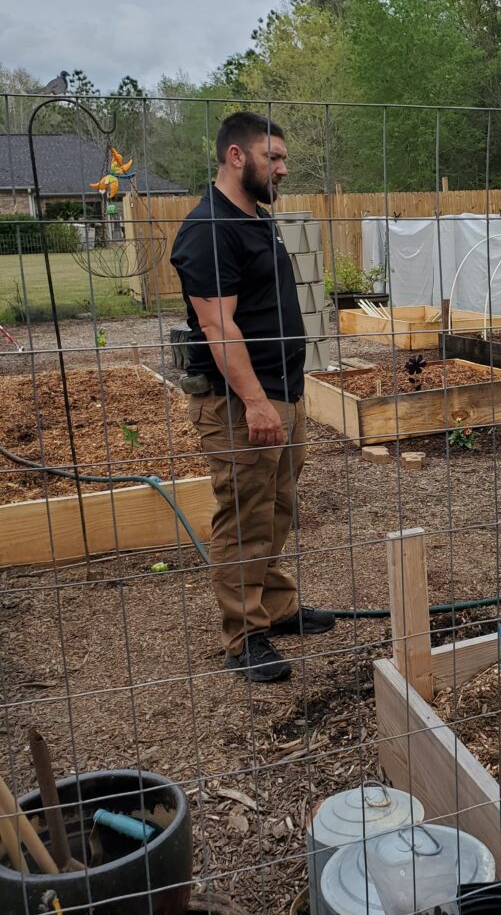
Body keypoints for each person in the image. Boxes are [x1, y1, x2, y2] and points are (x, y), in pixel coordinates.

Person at [170, 111, 336, 682]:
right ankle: (244, 636)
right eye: (274, 158)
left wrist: (284, 396)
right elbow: (219, 328)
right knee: (243, 515)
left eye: (284, 158)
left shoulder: (255, 219)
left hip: (283, 392)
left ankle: (277, 607)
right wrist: (257, 403)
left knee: (278, 507)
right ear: (236, 156)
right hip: (241, 403)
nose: (283, 169)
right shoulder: (207, 229)